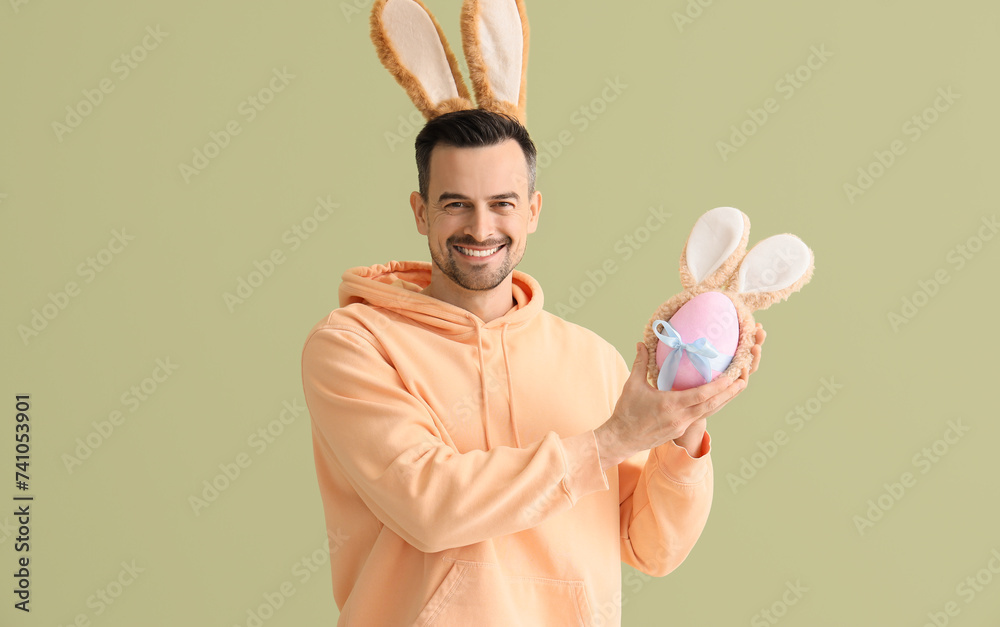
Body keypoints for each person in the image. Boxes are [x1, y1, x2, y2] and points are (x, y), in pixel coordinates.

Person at [300, 108, 764, 625]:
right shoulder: (353, 346)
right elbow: (427, 506)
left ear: (533, 211)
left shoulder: (592, 358)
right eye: (456, 204)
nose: (481, 227)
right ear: (420, 212)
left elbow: (652, 548)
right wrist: (611, 440)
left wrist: (684, 417)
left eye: (503, 204)